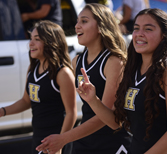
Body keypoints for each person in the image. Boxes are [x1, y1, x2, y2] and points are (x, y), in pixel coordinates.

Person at [75, 8, 167, 154]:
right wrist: (93, 99)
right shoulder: (132, 70)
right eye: (136, 28)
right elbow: (116, 123)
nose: (139, 34)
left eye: (148, 29)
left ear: (164, 35)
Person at [36, 3, 131, 154]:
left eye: (84, 21)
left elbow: (105, 118)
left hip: (111, 142)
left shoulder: (114, 61)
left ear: (101, 27)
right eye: (78, 21)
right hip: (85, 139)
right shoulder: (77, 61)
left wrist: (63, 138)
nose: (77, 26)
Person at [0, 20, 76, 154]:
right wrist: (3, 111)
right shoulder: (32, 68)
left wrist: (60, 143)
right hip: (38, 138)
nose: (30, 44)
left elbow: (71, 113)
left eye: (37, 39)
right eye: (31, 39)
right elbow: (26, 101)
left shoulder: (63, 73)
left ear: (50, 42)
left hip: (55, 139)